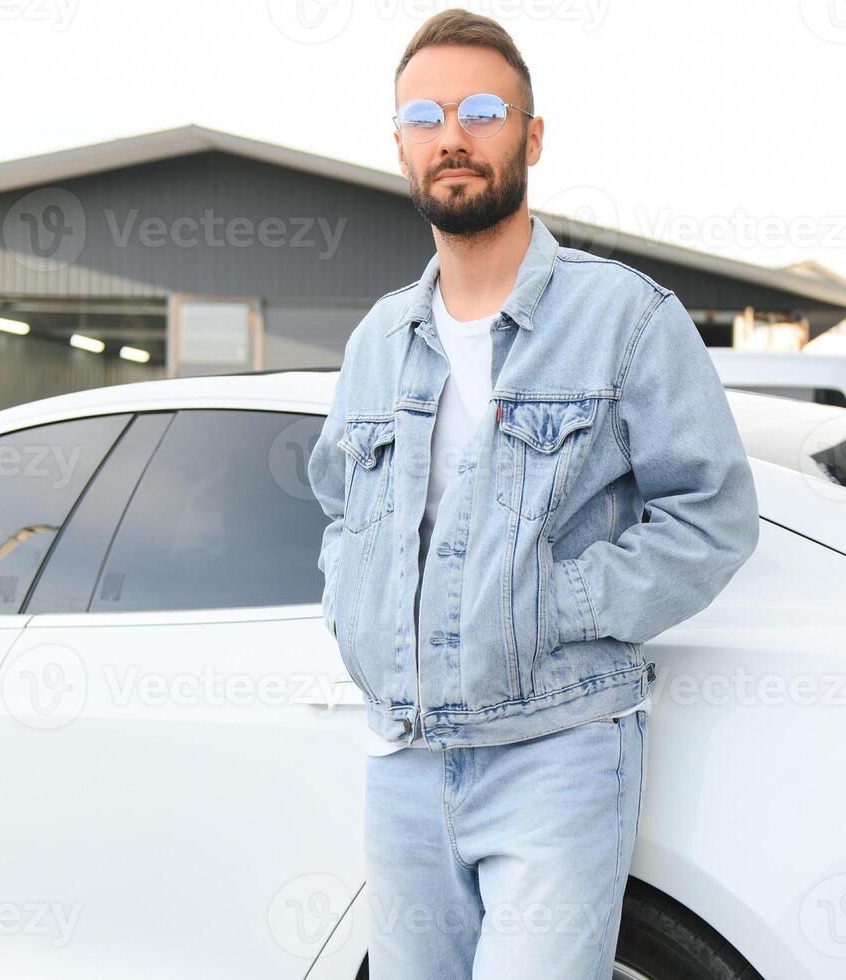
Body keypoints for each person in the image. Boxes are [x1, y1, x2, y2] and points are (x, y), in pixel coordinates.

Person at [306, 9, 759, 978]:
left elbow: (713, 512)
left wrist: (560, 603)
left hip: (555, 751)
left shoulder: (626, 319)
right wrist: (358, 611)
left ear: (532, 135)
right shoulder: (378, 340)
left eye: (482, 110)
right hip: (404, 759)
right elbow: (341, 508)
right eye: (424, 116)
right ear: (399, 143)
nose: (452, 137)